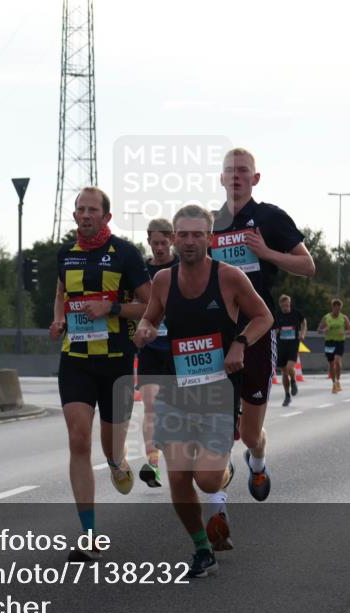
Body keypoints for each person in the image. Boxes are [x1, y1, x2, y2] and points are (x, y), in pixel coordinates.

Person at [134, 205, 273, 577]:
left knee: (206, 478)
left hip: (216, 392)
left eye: (198, 234)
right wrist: (145, 328)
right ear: (175, 239)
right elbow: (151, 315)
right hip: (177, 390)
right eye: (184, 235)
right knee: (179, 475)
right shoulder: (164, 279)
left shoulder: (230, 277)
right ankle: (201, 548)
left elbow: (264, 316)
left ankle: (225, 467)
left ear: (209, 238)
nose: (190, 241)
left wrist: (240, 343)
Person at [49, 187, 151, 561]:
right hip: (75, 358)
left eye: (93, 210)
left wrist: (111, 307)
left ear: (107, 217)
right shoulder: (65, 254)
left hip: (115, 360)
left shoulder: (124, 253)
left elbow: (150, 305)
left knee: (110, 446)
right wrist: (59, 318)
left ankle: (117, 462)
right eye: (80, 210)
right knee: (78, 439)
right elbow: (61, 291)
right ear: (74, 216)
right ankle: (89, 534)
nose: (86, 215)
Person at [211, 147, 315, 507]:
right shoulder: (209, 224)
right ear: (221, 178)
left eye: (243, 170)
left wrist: (267, 252)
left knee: (250, 433)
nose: (236, 175)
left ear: (254, 179)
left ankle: (257, 461)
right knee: (220, 426)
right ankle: (217, 506)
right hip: (216, 335)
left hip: (258, 328)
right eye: (229, 170)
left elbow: (307, 266)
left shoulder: (270, 217)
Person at [137, 218, 179, 488]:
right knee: (150, 406)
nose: (160, 247)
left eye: (164, 242)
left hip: (179, 349)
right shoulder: (141, 271)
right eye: (155, 243)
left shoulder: (183, 267)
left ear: (172, 240)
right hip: (151, 349)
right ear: (149, 241)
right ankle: (152, 464)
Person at [318, 298, 350, 394]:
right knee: (331, 364)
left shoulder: (343, 318)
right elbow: (318, 330)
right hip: (329, 342)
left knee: (337, 362)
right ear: (332, 307)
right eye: (335, 308)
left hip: (339, 342)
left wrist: (345, 332)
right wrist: (324, 330)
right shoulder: (326, 318)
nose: (337, 311)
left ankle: (338, 381)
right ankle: (334, 383)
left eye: (339, 309)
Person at [275, 294, 307, 405]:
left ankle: (293, 380)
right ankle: (287, 395)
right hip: (281, 345)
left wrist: (302, 333)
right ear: (280, 306)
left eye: (287, 305)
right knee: (284, 371)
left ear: (290, 304)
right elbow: (273, 327)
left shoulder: (296, 313)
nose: (286, 308)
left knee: (289, 367)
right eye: (283, 306)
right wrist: (276, 331)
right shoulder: (277, 315)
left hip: (293, 344)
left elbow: (303, 322)